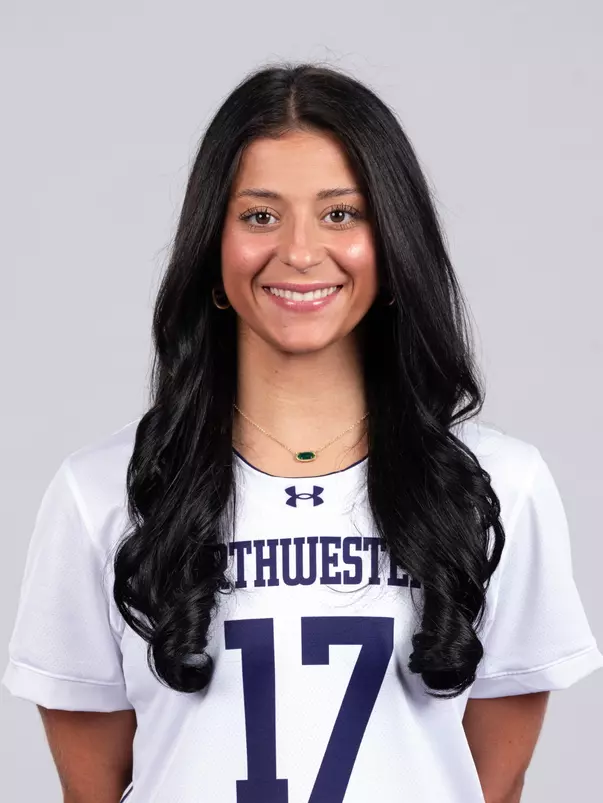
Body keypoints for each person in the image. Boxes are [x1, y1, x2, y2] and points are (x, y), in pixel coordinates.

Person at [3, 62, 602, 803]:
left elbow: (494, 782)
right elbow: (91, 787)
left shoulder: (499, 486)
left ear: (391, 242)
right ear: (211, 243)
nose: (298, 251)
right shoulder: (99, 492)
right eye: (259, 215)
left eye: (340, 214)